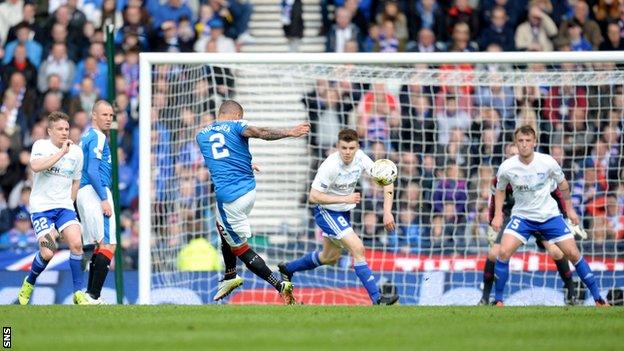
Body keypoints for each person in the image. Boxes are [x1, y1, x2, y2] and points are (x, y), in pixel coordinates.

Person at [196, 100, 310, 304]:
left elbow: (221, 157)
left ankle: (279, 285)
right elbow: (261, 132)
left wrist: (290, 133)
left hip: (229, 198)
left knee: (240, 248)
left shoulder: (202, 135)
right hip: (248, 191)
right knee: (223, 229)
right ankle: (230, 276)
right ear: (238, 115)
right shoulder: (238, 126)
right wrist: (289, 132)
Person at [277, 128, 399, 305]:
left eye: (351, 148)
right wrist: (345, 198)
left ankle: (288, 268)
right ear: (338, 147)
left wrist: (387, 212)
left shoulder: (361, 158)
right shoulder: (330, 165)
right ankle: (377, 299)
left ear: (357, 147)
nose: (348, 152)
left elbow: (387, 180)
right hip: (326, 212)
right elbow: (313, 196)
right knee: (358, 248)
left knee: (329, 257)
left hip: (343, 212)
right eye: (344, 148)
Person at [491, 125, 608, 306]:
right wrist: (498, 215)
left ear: (534, 142)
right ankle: (498, 300)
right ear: (516, 143)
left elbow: (563, 185)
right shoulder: (507, 167)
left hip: (549, 216)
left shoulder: (547, 162)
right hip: (522, 217)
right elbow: (499, 191)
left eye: (527, 141)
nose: (524, 145)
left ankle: (599, 298)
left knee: (572, 253)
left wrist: (569, 210)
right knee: (503, 252)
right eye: (520, 141)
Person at [479, 143, 576, 305]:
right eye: (510, 155)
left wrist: (565, 217)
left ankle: (571, 292)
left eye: (515, 154)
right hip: (515, 217)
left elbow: (557, 194)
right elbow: (494, 202)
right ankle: (485, 297)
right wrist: (492, 222)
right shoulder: (502, 175)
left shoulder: (536, 171)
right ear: (506, 156)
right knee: (493, 253)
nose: (513, 157)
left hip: (540, 214)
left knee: (557, 253)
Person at [17, 111, 90, 305]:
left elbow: (76, 181)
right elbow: (36, 167)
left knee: (76, 244)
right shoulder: (41, 146)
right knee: (49, 251)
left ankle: (78, 293)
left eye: (66, 128)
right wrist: (60, 153)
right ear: (50, 131)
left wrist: (70, 204)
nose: (64, 132)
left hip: (64, 208)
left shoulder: (77, 152)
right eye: (60, 129)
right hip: (42, 209)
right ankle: (30, 282)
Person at [76, 100, 115, 304]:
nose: (108, 119)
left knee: (101, 244)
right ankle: (93, 295)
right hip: (95, 191)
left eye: (111, 115)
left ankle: (90, 295)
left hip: (84, 192)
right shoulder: (98, 137)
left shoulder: (86, 137)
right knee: (109, 243)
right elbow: (92, 170)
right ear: (94, 115)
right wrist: (103, 198)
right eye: (104, 115)